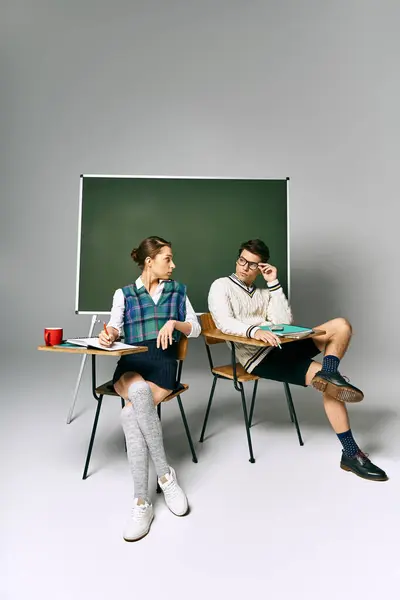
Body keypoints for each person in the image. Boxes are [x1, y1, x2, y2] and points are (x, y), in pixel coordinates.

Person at [208, 238, 388, 482]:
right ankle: (351, 454)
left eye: (252, 265)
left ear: (261, 268)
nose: (244, 267)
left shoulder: (264, 292)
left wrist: (273, 283)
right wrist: (255, 331)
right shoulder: (221, 286)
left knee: (341, 326)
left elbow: (283, 321)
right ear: (237, 259)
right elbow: (223, 322)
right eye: (242, 260)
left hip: (284, 346)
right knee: (333, 390)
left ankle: (329, 372)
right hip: (260, 358)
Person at [99, 236, 201, 541]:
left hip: (163, 366)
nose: (173, 264)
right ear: (150, 261)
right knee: (138, 392)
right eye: (167, 258)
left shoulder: (178, 291)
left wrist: (175, 323)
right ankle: (166, 476)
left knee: (132, 414)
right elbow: (115, 327)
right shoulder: (124, 294)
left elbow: (194, 328)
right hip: (131, 366)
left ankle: (142, 501)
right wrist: (109, 335)